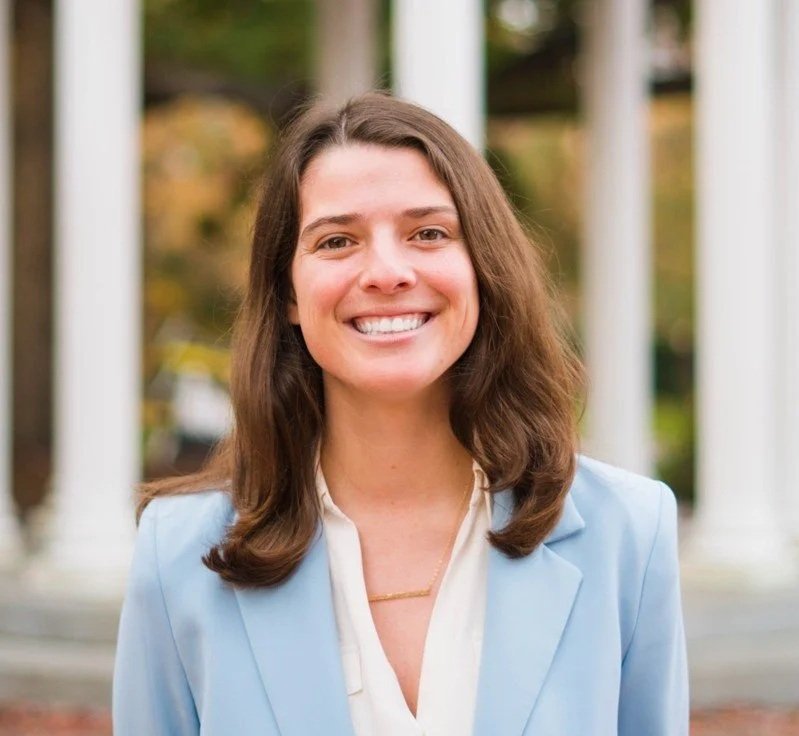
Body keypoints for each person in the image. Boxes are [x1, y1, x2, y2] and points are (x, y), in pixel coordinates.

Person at [113, 92, 689, 736]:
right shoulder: (178, 556)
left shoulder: (629, 535)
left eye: (429, 233)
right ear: (288, 296)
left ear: (482, 268)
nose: (387, 272)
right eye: (336, 240)